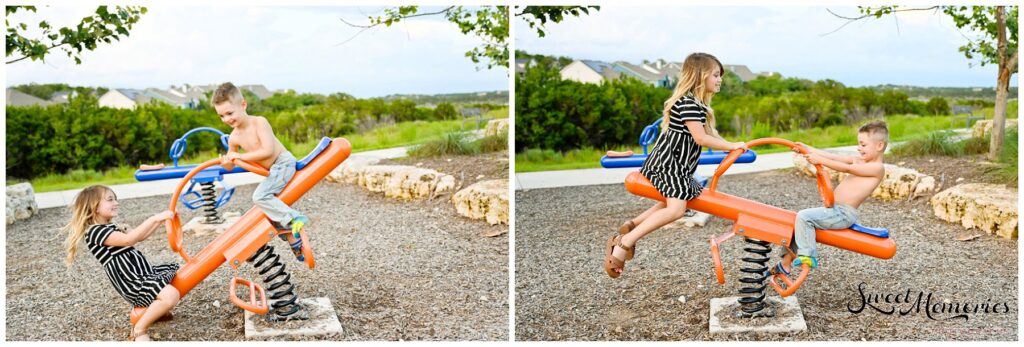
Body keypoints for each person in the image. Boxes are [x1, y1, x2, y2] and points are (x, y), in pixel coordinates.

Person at [605, 53, 748, 278]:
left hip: (678, 167)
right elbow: (700, 138)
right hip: (668, 165)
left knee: (672, 201)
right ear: (700, 76)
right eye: (715, 75)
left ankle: (632, 225)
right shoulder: (689, 103)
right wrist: (732, 146)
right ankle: (624, 242)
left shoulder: (698, 105)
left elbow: (711, 135)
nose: (719, 80)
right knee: (676, 209)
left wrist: (735, 146)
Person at [770, 120, 888, 276]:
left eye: (863, 145)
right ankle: (785, 264)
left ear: (879, 146)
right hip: (834, 210)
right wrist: (807, 149)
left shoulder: (877, 168)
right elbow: (833, 156)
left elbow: (847, 168)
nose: (859, 148)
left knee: (804, 217)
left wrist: (820, 161)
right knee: (796, 221)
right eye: (859, 144)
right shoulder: (860, 160)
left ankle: (808, 256)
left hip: (843, 213)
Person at [63, 185, 179, 341]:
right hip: (132, 281)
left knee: (175, 279)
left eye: (115, 199)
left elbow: (140, 237)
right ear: (94, 206)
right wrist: (155, 218)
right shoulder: (95, 231)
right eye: (110, 199)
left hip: (142, 274)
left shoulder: (110, 227)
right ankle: (139, 330)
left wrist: (161, 221)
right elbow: (128, 240)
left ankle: (158, 312)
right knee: (171, 295)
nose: (116, 202)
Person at [213, 82, 309, 262]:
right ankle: (293, 238)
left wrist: (239, 157)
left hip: (283, 163)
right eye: (221, 116)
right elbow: (230, 165)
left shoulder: (259, 122)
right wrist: (226, 161)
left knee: (260, 197)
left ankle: (296, 217)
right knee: (266, 210)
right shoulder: (234, 137)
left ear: (243, 105)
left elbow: (267, 151)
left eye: (229, 113)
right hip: (273, 170)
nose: (226, 119)